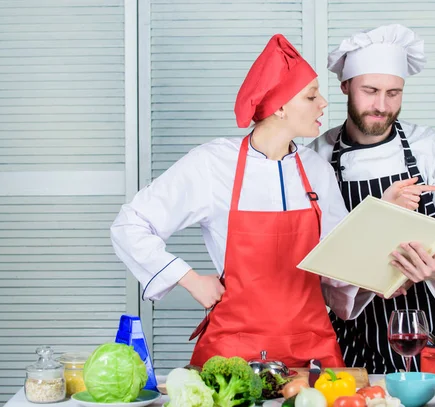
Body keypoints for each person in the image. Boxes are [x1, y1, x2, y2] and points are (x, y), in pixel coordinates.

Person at [110, 34, 368, 369]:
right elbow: (129, 225)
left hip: (312, 349)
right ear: (279, 107)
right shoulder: (213, 164)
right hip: (232, 352)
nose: (324, 103)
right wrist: (187, 278)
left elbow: (338, 261)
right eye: (311, 95)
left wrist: (380, 271)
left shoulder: (316, 169)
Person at [309, 24, 435, 374]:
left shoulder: (433, 150)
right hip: (360, 335)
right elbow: (318, 256)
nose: (381, 105)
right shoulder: (316, 158)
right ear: (345, 85)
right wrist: (369, 273)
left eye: (393, 92)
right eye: (370, 90)